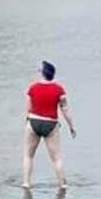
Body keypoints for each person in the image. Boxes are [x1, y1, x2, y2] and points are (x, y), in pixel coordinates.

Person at [22, 61, 76, 190]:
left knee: (28, 155)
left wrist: (27, 122)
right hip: (51, 124)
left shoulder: (33, 88)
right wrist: (71, 126)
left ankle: (26, 183)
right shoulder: (59, 89)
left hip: (34, 122)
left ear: (42, 73)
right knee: (56, 158)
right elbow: (65, 109)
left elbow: (28, 108)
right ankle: (62, 184)